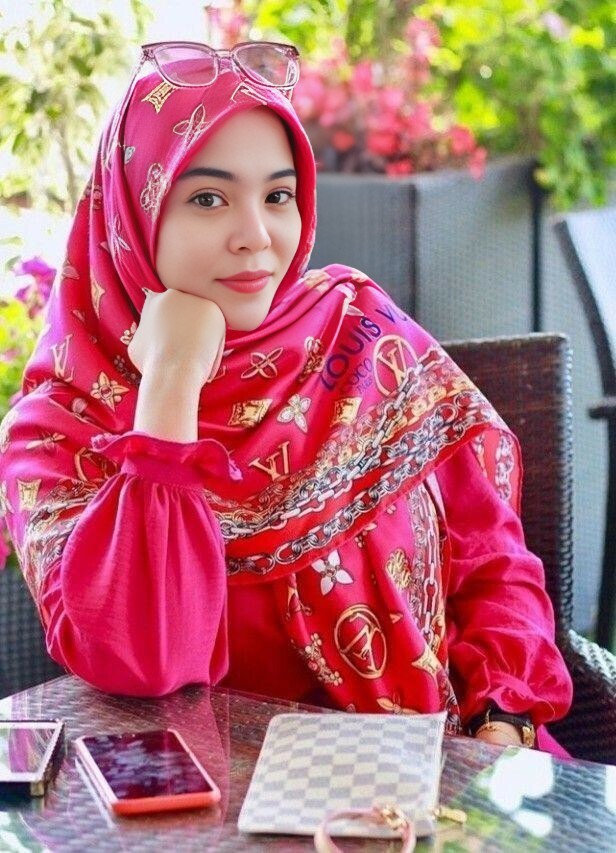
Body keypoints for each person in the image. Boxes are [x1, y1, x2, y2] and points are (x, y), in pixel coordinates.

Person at [0, 40, 572, 753]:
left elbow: (491, 559)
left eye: (277, 196)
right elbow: (141, 660)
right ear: (131, 215)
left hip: (449, 773)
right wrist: (170, 384)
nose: (256, 236)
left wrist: (504, 723)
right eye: (207, 198)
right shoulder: (60, 431)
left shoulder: (363, 338)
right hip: (224, 802)